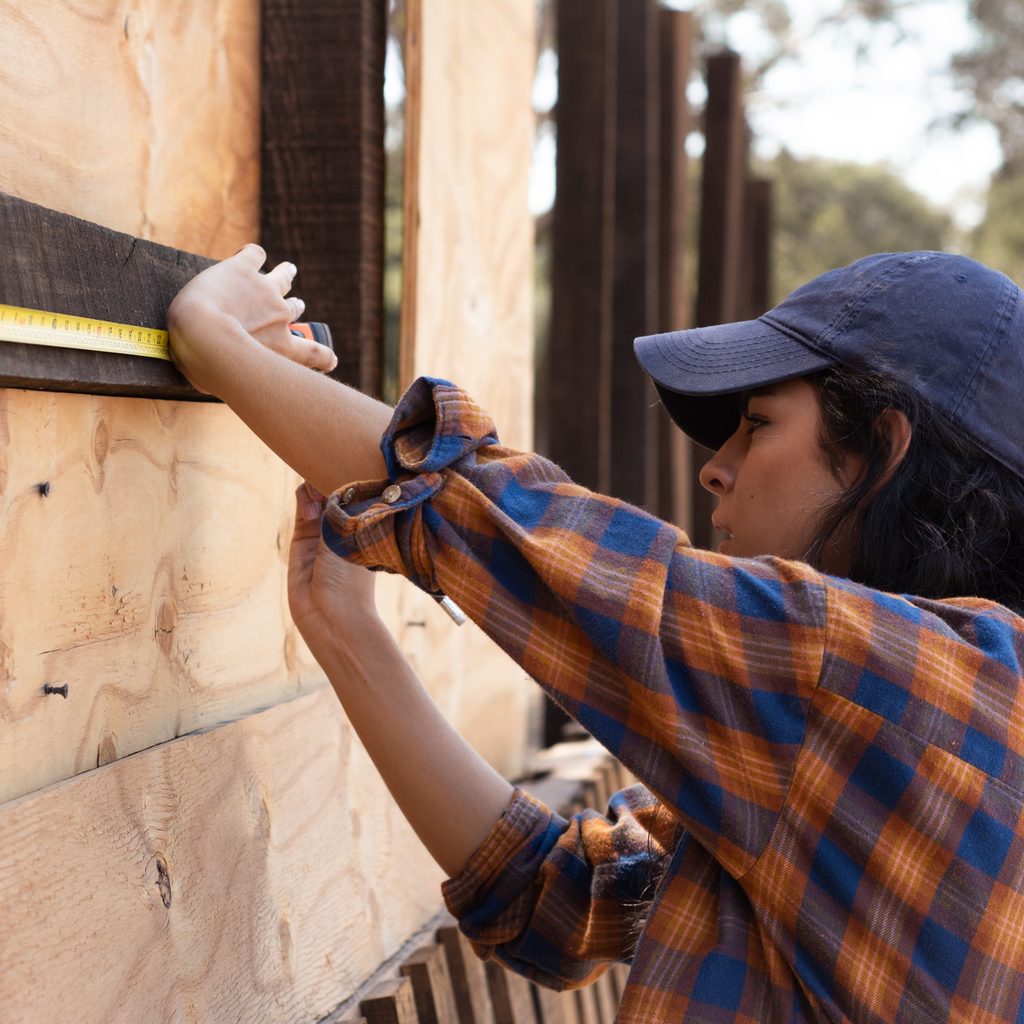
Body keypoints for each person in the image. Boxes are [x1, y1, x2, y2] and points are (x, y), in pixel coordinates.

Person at [168, 248, 1024, 1022]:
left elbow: (499, 517)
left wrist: (219, 343)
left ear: (884, 445)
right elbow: (566, 902)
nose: (714, 465)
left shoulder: (899, 685)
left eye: (757, 424)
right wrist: (348, 633)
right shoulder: (878, 759)